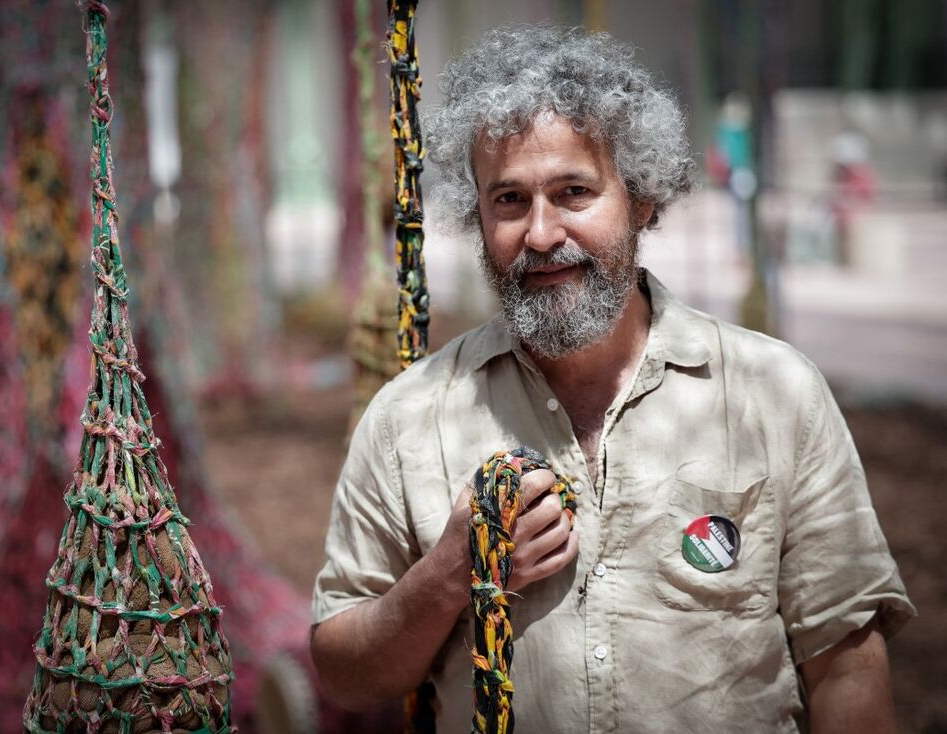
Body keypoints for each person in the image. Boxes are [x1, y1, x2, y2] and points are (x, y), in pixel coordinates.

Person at [310, 26, 914, 733]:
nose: (540, 234)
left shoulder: (774, 396)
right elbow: (344, 672)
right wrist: (451, 574)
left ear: (643, 199)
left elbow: (846, 667)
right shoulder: (411, 418)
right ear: (477, 221)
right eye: (508, 201)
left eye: (573, 191)